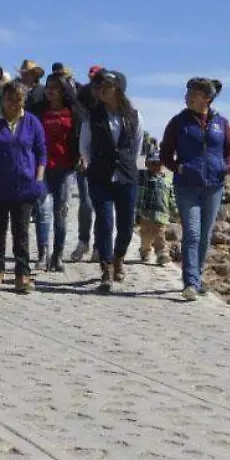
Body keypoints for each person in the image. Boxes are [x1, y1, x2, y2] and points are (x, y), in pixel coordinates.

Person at [160, 77, 230, 301]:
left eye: (193, 94)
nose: (187, 97)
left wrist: (228, 167)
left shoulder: (220, 123)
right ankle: (190, 283)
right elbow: (165, 153)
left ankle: (198, 277)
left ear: (206, 98)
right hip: (187, 186)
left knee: (204, 235)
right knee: (192, 233)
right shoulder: (178, 123)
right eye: (187, 93)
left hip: (214, 185)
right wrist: (179, 168)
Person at [0, 82, 47, 293]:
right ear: (3, 98)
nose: (14, 104)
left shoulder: (32, 122)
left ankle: (23, 274)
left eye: (19, 100)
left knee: (21, 233)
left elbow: (41, 152)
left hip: (25, 187)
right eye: (11, 99)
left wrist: (38, 178)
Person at [80, 69, 143, 293]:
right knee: (105, 221)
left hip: (126, 176)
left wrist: (125, 164)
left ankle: (119, 258)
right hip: (100, 177)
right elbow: (84, 147)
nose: (101, 90)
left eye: (106, 86)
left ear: (118, 89)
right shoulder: (92, 115)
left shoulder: (134, 116)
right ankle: (105, 267)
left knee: (126, 224)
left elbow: (136, 145)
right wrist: (96, 164)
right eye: (99, 87)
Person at [35, 72, 79, 273]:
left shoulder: (74, 113)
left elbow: (80, 139)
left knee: (61, 213)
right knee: (42, 211)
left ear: (63, 90)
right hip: (41, 167)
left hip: (64, 168)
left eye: (55, 87)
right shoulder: (37, 111)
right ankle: (42, 253)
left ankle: (58, 254)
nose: (50, 90)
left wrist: (81, 157)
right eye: (48, 86)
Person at [67, 65, 103, 262]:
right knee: (86, 203)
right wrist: (79, 155)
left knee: (102, 205)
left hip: (105, 162)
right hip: (84, 159)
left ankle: (100, 245)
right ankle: (83, 242)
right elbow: (76, 130)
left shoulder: (111, 105)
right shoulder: (82, 100)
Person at [135, 150, 177, 266]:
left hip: (161, 214)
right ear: (147, 164)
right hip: (144, 213)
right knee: (146, 235)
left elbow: (171, 198)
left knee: (159, 235)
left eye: (159, 164)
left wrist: (176, 213)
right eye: (153, 163)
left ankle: (162, 254)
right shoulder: (141, 176)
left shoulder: (167, 180)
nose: (156, 166)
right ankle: (145, 250)